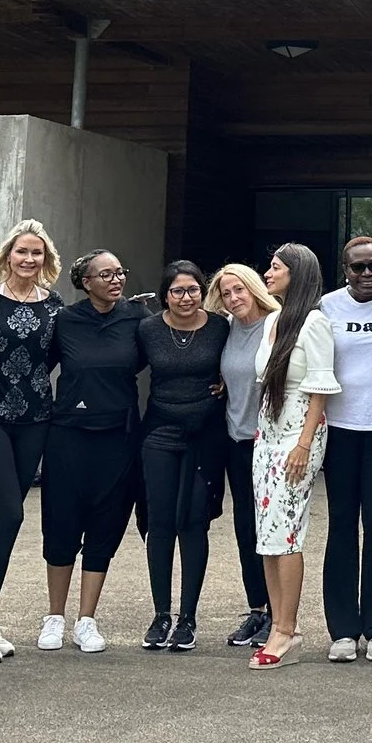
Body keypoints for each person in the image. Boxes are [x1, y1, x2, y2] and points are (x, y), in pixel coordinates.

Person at [0, 219, 65, 665]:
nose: (29, 259)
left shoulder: (55, 304)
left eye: (36, 253)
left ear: (46, 260)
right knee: (11, 510)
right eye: (22, 251)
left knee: (3, 516)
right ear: (7, 255)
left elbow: (59, 356)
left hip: (36, 418)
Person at [40, 248, 144, 653]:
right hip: (68, 435)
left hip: (118, 437)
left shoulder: (137, 318)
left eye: (120, 272)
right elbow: (36, 368)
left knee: (106, 526)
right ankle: (54, 617)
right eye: (106, 274)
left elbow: (171, 352)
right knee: (61, 525)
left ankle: (86, 620)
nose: (116, 280)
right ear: (86, 282)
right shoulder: (64, 320)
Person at [249, 243, 339, 668]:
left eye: (275, 267)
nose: (268, 273)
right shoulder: (273, 320)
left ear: (297, 274)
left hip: (299, 436)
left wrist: (304, 444)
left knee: (285, 530)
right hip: (266, 436)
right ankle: (279, 623)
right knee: (266, 535)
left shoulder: (314, 322)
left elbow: (321, 388)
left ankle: (286, 630)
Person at [318, 234, 372, 662]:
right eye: (359, 267)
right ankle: (342, 629)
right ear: (345, 270)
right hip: (338, 429)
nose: (368, 274)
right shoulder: (327, 306)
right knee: (340, 524)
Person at [137, 259, 231, 652]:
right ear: (165, 296)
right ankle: (161, 615)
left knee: (193, 522)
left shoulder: (220, 327)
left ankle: (188, 618)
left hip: (205, 436)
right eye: (177, 291)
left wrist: (228, 380)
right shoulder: (148, 329)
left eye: (193, 290)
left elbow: (244, 357)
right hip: (160, 432)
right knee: (160, 524)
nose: (186, 297)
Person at [210, 263, 280, 648]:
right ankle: (257, 610)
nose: (234, 298)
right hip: (236, 441)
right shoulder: (226, 328)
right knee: (245, 529)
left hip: (269, 443)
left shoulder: (277, 324)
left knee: (271, 530)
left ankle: (277, 613)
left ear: (254, 288)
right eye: (226, 293)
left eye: (239, 290)